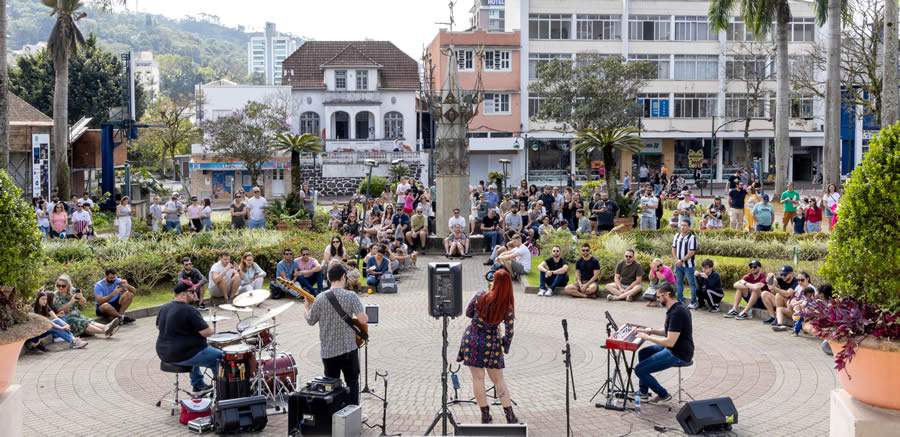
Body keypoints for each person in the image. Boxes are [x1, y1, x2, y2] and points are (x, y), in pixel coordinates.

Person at [457, 268, 518, 424]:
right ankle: (509, 415)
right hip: (491, 344)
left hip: (472, 339)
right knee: (498, 380)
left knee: (478, 379)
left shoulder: (480, 295)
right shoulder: (507, 306)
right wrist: (505, 345)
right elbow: (510, 332)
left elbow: (469, 313)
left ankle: (485, 415)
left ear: (495, 282)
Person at [304, 264, 368, 405]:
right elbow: (363, 319)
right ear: (343, 277)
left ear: (328, 278)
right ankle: (353, 412)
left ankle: (334, 414)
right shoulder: (351, 296)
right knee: (352, 382)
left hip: (329, 351)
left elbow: (310, 320)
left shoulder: (320, 298)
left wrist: (306, 307)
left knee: (331, 386)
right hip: (348, 348)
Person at [156, 282, 222, 394]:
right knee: (220, 357)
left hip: (163, 353)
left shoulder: (164, 308)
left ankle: (198, 385)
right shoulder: (189, 310)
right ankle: (223, 390)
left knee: (195, 350)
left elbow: (158, 326)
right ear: (182, 294)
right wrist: (211, 326)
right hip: (182, 354)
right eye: (192, 292)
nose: (195, 294)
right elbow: (207, 332)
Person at [634, 284, 694, 404]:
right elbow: (668, 331)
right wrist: (650, 331)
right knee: (643, 353)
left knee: (639, 370)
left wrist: (647, 337)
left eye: (658, 297)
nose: (657, 300)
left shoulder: (677, 313)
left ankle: (663, 394)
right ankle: (643, 393)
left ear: (667, 294)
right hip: (675, 347)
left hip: (678, 353)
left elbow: (670, 342)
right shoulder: (675, 308)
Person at [51, 274, 120, 338]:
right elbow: (59, 311)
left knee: (89, 321)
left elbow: (83, 303)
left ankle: (107, 327)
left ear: (68, 285)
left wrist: (81, 297)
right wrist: (71, 302)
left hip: (77, 315)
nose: (60, 288)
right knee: (82, 322)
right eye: (58, 285)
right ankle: (105, 331)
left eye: (63, 286)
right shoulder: (55, 295)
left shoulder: (73, 290)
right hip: (66, 319)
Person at [671, 221, 699, 307]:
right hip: (678, 264)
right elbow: (673, 248)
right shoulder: (677, 235)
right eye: (682, 225)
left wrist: (682, 260)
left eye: (685, 225)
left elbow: (692, 252)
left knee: (692, 284)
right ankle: (680, 300)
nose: (683, 227)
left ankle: (694, 302)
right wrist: (676, 260)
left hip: (688, 265)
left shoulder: (692, 237)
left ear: (689, 227)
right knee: (679, 283)